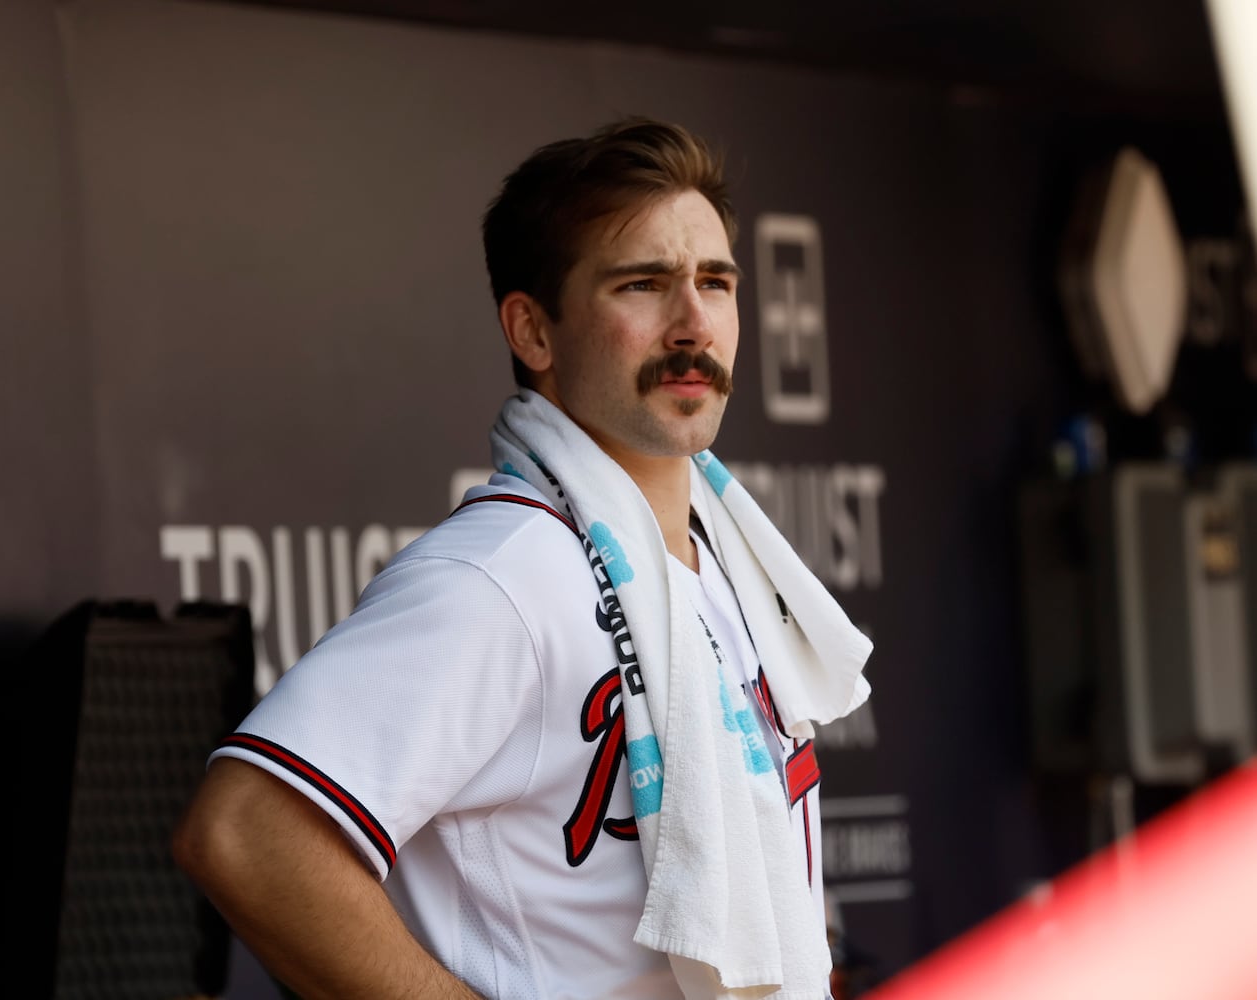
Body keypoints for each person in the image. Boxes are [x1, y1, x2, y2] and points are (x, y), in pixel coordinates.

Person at [173, 118, 873, 1000]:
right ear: (533, 332)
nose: (694, 322)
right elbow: (243, 833)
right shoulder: (500, 574)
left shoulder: (723, 565)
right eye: (644, 285)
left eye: (716, 282)